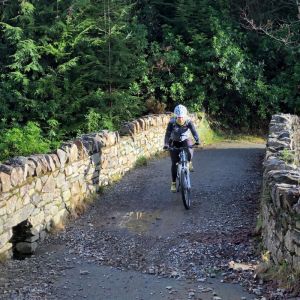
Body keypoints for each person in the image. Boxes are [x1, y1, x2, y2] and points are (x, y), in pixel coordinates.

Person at [163, 104, 200, 192]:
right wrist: (166, 144)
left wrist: (197, 140)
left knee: (190, 150)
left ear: (185, 116)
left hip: (185, 139)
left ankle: (189, 161)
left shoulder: (188, 122)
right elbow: (167, 134)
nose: (180, 119)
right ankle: (173, 183)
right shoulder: (172, 122)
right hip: (174, 141)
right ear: (176, 116)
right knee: (174, 163)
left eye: (182, 117)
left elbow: (194, 131)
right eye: (178, 117)